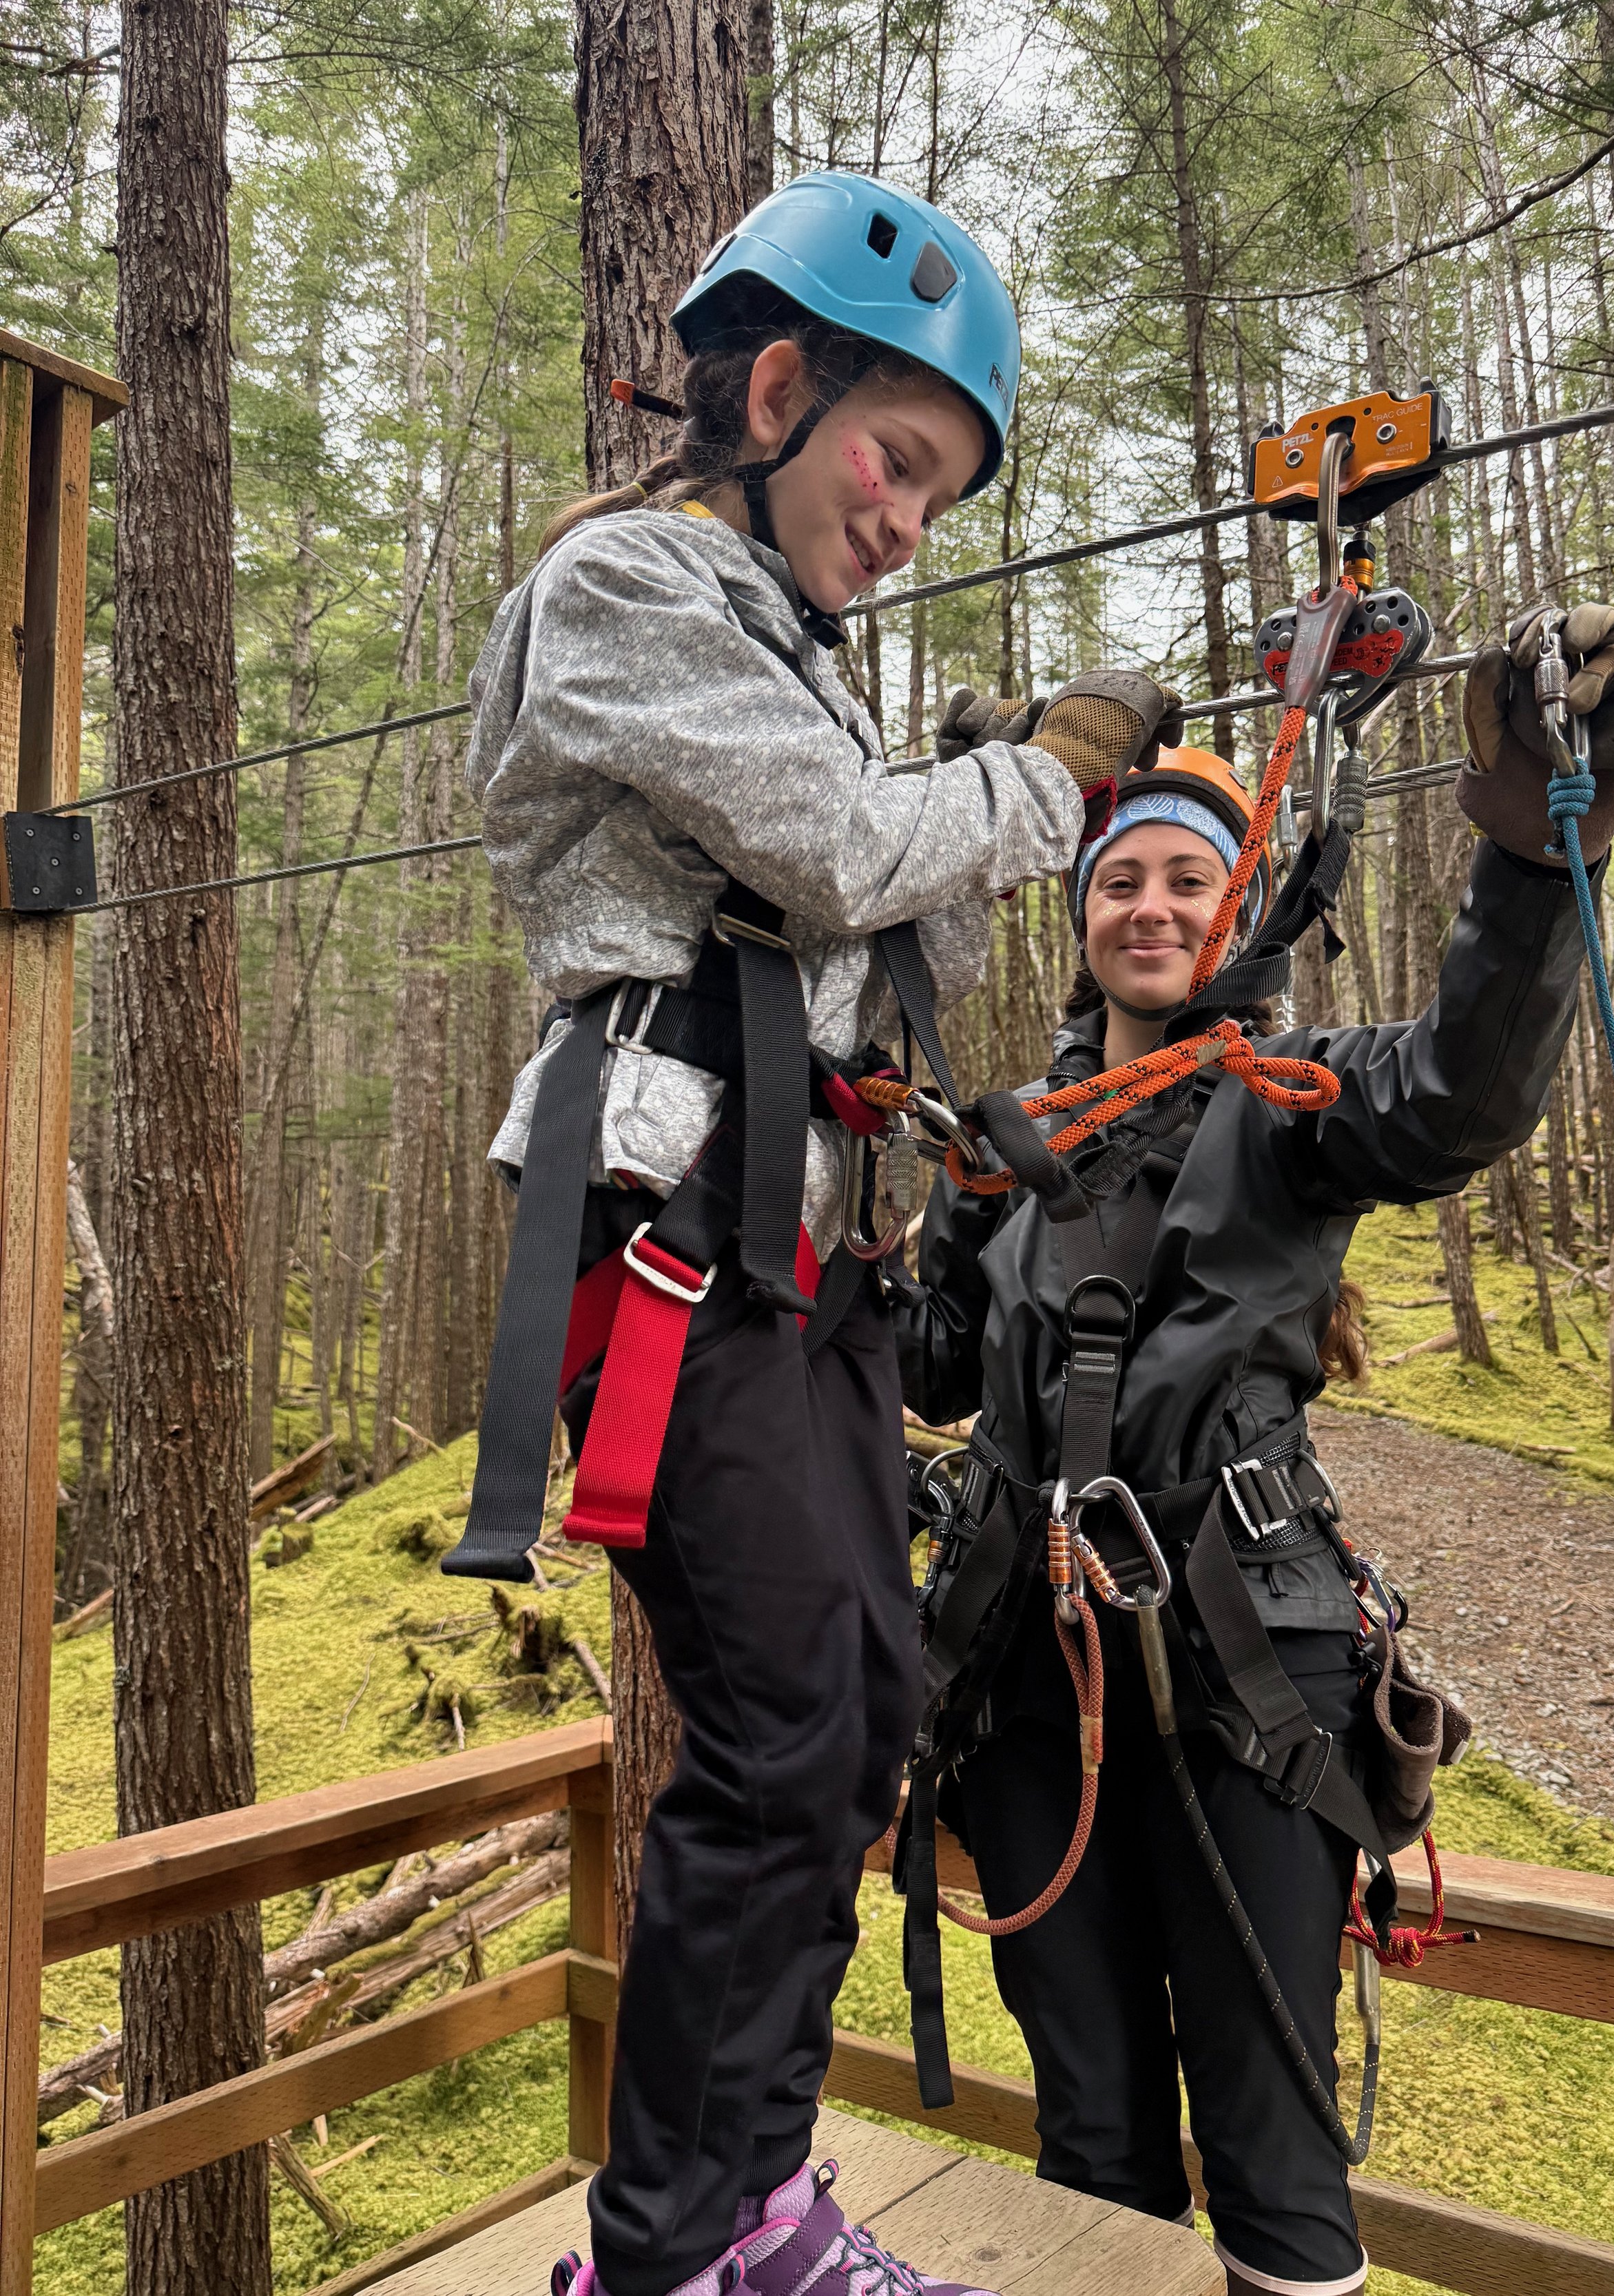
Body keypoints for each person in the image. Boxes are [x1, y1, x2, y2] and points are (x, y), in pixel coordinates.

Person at [448, 170, 1183, 2296]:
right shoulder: (625, 585)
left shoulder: (786, 648)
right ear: (772, 387)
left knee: (854, 1720)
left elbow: (885, 914)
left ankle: (746, 2201)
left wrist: (978, 788)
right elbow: (846, 847)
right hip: (674, 1221)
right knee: (781, 1729)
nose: (907, 519)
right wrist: (1033, 775)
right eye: (896, 458)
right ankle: (675, 2245)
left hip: (808, 1254)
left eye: (942, 490)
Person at [893, 610, 1614, 2296]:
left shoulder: (1288, 1094)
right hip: (1025, 1700)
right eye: (1120, 880)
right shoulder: (1002, 1154)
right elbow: (923, 1365)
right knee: (1089, 2127)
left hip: (1245, 1682)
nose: (1148, 906)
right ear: (1080, 913)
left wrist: (1532, 855)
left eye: (1186, 883)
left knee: (1271, 2138)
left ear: (1229, 914)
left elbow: (1462, 1095)